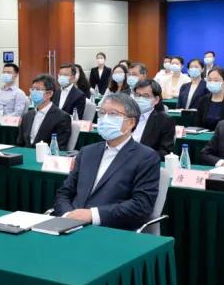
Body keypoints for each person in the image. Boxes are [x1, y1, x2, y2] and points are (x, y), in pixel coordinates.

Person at [52, 93, 160, 231]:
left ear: (131, 123)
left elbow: (141, 205)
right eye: (102, 113)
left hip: (111, 230)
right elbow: (64, 192)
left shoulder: (146, 157)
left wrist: (92, 215)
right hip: (71, 226)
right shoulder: (87, 152)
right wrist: (68, 215)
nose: (105, 118)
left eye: (113, 114)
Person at [17, 74, 71, 149]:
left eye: (38, 89)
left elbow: (58, 147)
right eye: (33, 89)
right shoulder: (26, 116)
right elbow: (20, 144)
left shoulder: (62, 117)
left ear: (49, 94)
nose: (34, 92)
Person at [132, 78, 176, 157]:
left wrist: (140, 157)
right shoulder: (126, 116)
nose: (140, 99)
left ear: (156, 100)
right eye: (137, 95)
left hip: (145, 160)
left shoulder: (164, 120)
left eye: (145, 96)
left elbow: (165, 151)